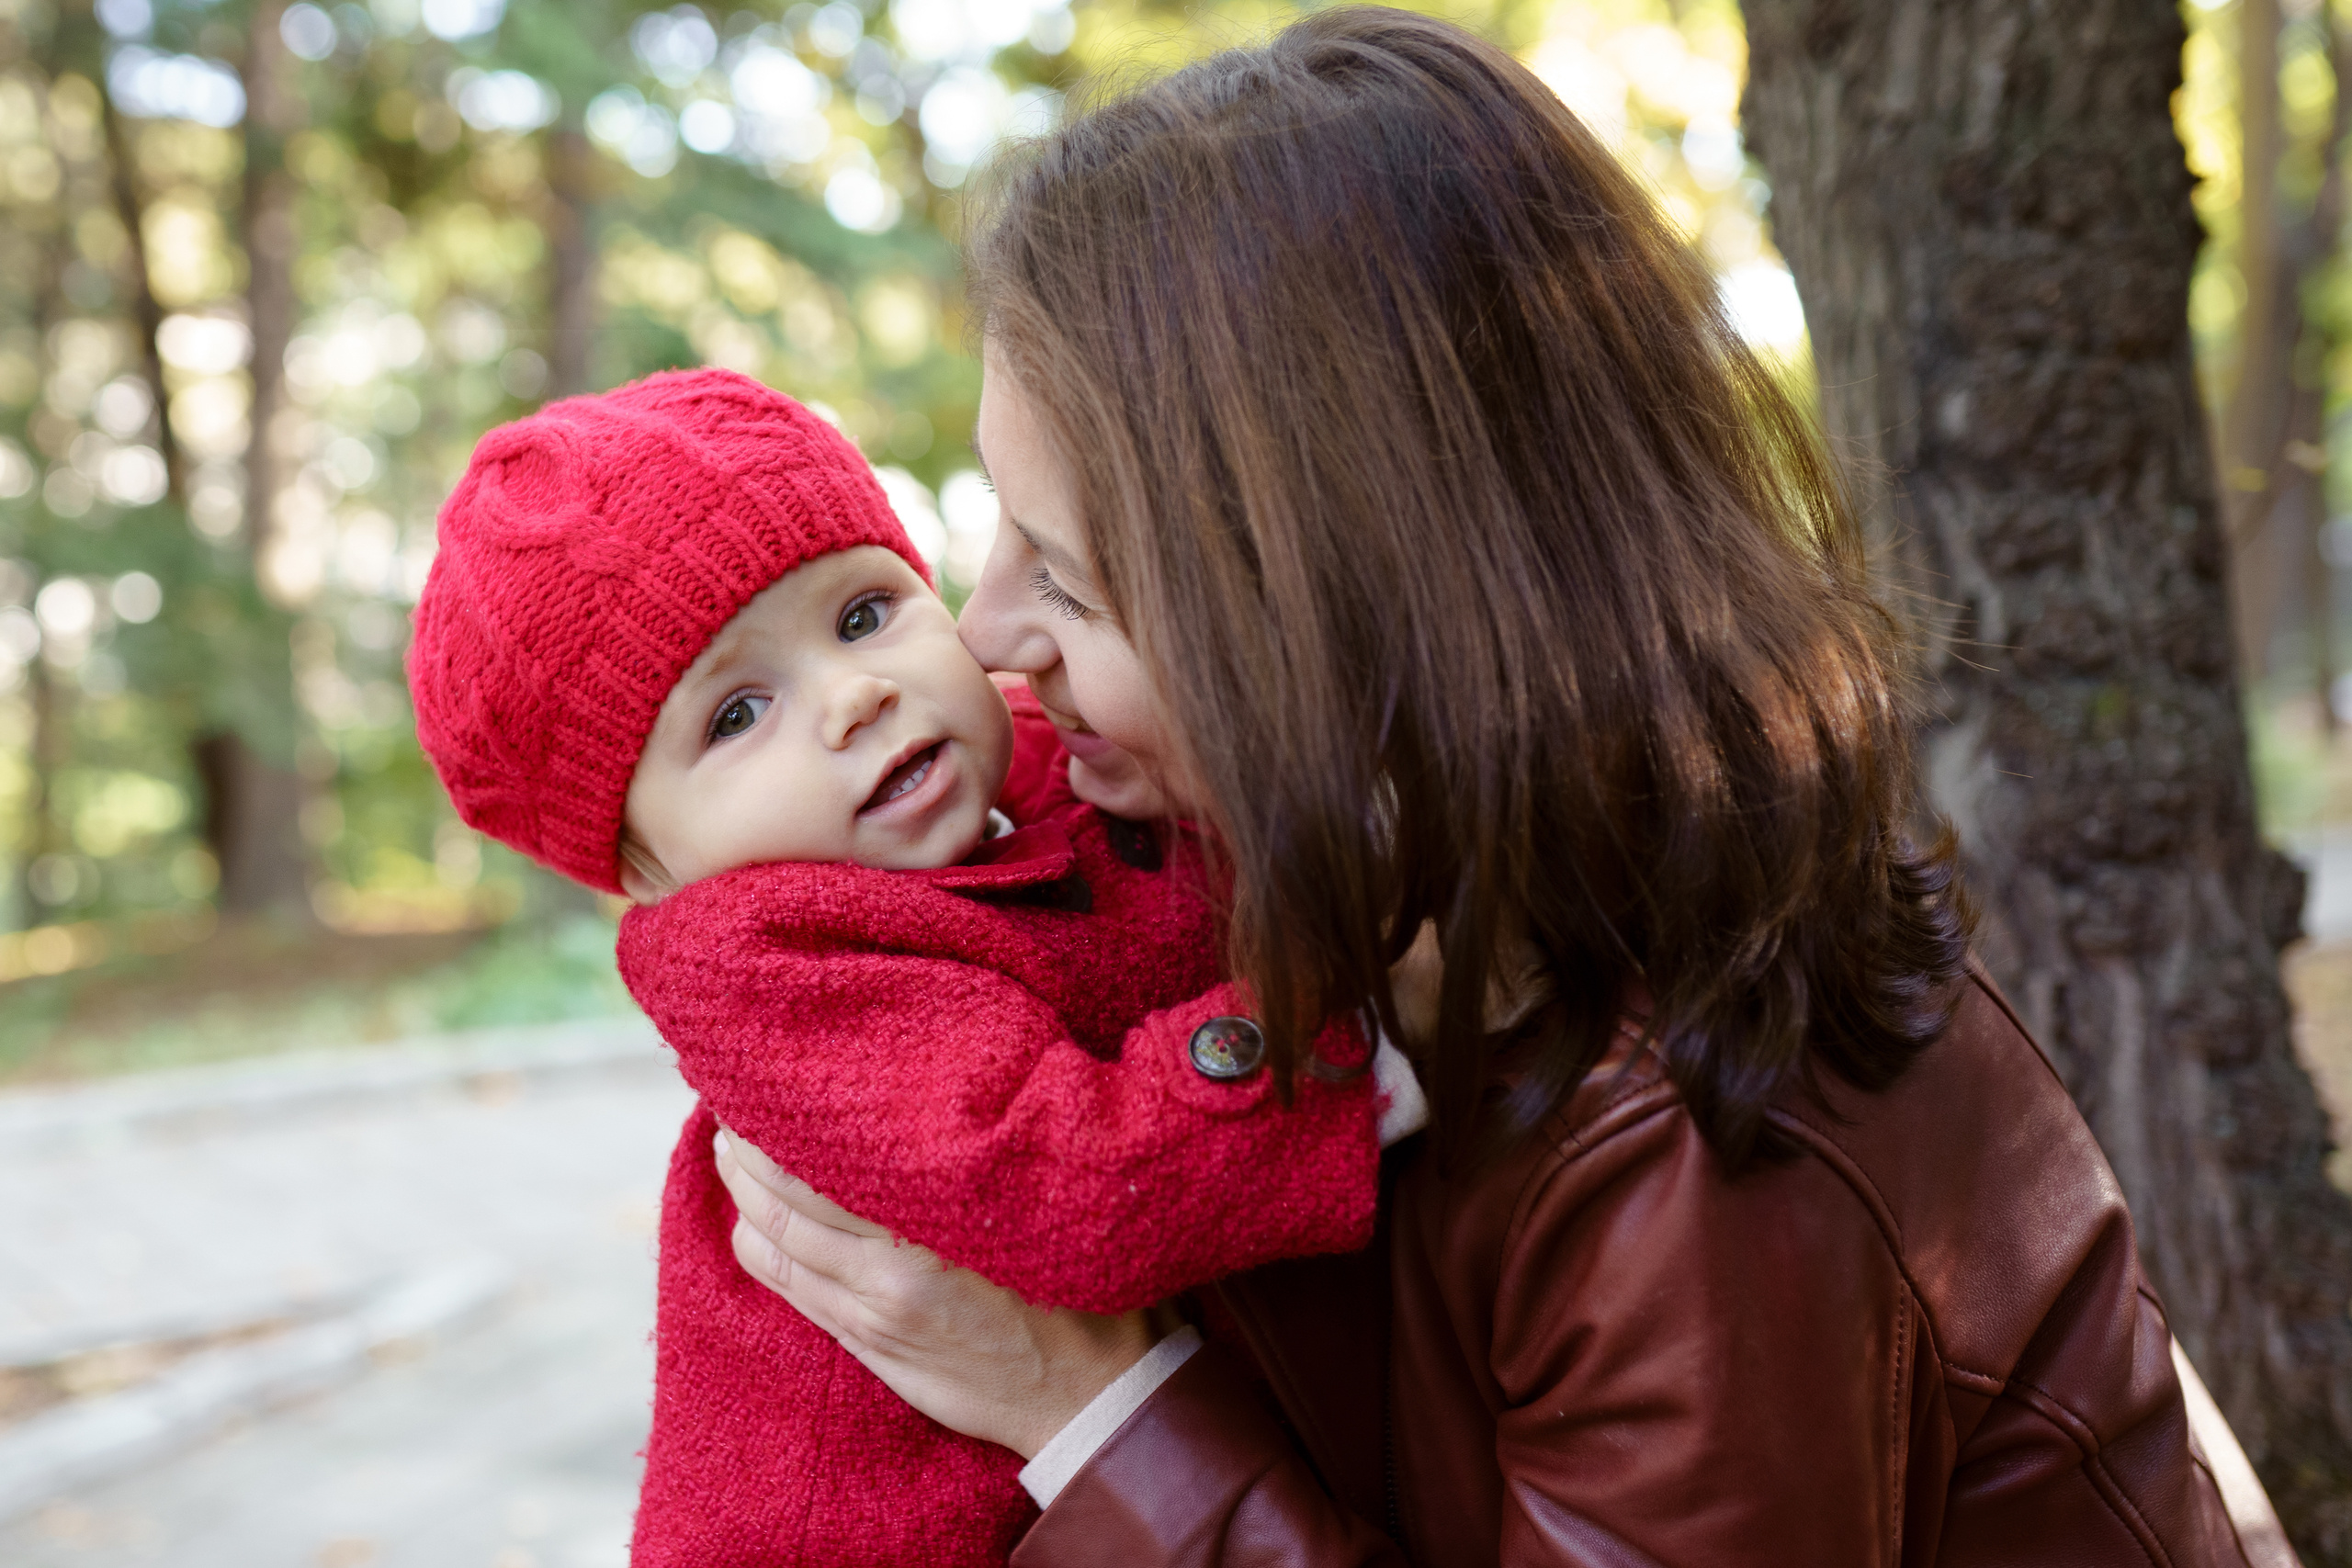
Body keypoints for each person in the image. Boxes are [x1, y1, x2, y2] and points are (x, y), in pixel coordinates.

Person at [707, 9, 2302, 1563]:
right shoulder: (1299, 884)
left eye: (1068, 578)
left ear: (1338, 610)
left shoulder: (1706, 1147)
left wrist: (1089, 1411)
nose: (985, 637)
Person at [403, 367, 1408, 1565]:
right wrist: (1359, 1047)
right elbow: (1056, 1178)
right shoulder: (777, 970)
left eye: (863, 614)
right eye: (736, 715)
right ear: (650, 868)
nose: (854, 697)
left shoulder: (1058, 776)